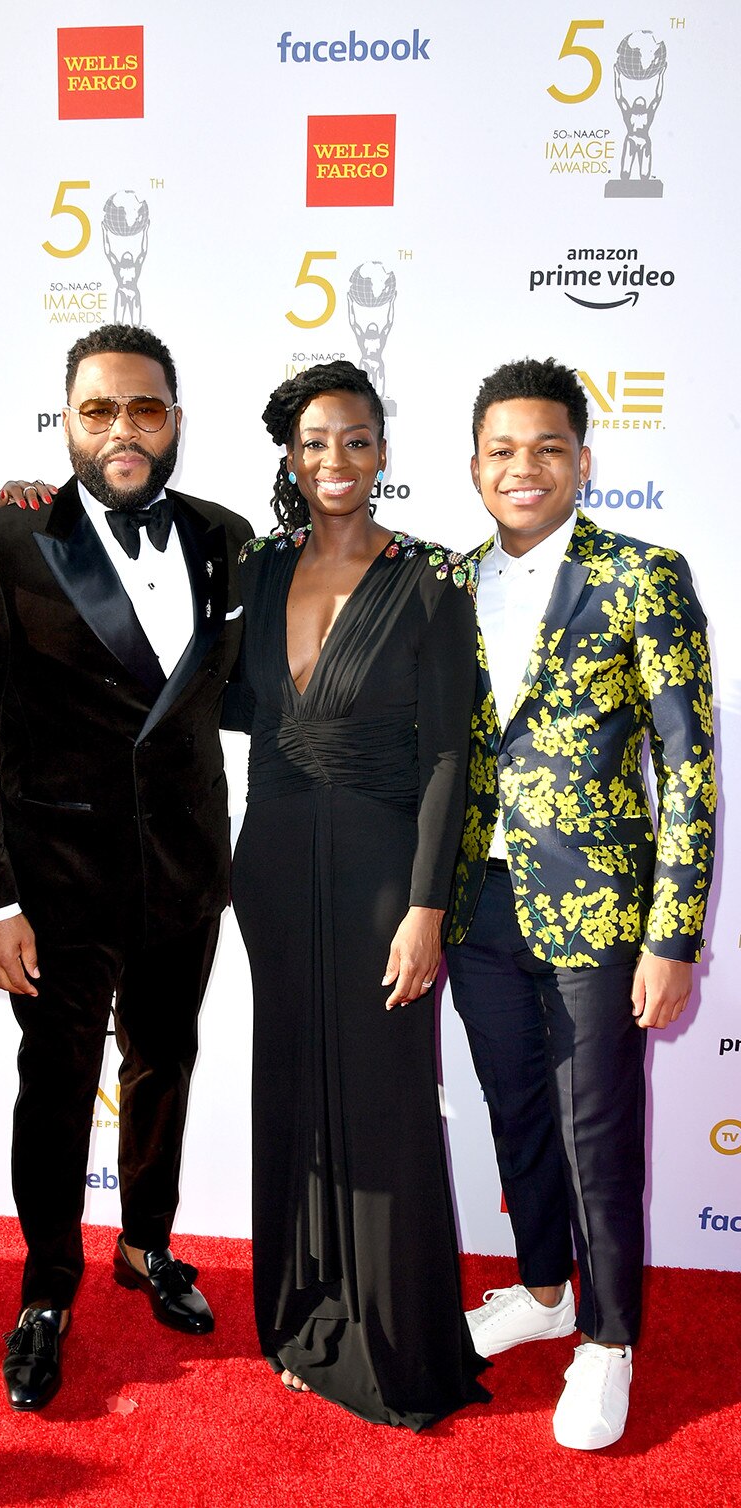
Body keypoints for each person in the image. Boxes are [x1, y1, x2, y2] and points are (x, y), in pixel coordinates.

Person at [0, 324, 253, 1412]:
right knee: (60, 1083)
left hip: (185, 866)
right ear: (65, 421)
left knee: (165, 1058)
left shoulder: (224, 535)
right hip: (53, 875)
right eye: (100, 410)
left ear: (175, 419)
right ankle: (47, 1285)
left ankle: (148, 1244)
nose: (124, 429)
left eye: (145, 409)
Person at [446, 357, 716, 1450]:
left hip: (602, 909)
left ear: (582, 460)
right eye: (502, 450)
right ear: (474, 468)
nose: (525, 467)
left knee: (595, 1127)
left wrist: (674, 934)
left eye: (547, 448)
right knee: (515, 1109)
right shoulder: (446, 581)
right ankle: (544, 1289)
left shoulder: (644, 573)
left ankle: (606, 1339)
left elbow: (689, 765)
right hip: (478, 903)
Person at [226, 360, 490, 1428]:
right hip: (273, 862)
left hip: (386, 866)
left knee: (382, 1098)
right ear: (289, 454)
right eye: (315, 440)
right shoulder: (250, 570)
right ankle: (301, 1309)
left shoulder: (428, 581)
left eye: (356, 439)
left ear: (383, 451)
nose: (335, 459)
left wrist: (425, 905)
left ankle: (393, 1335)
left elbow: (447, 758)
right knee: (291, 1084)